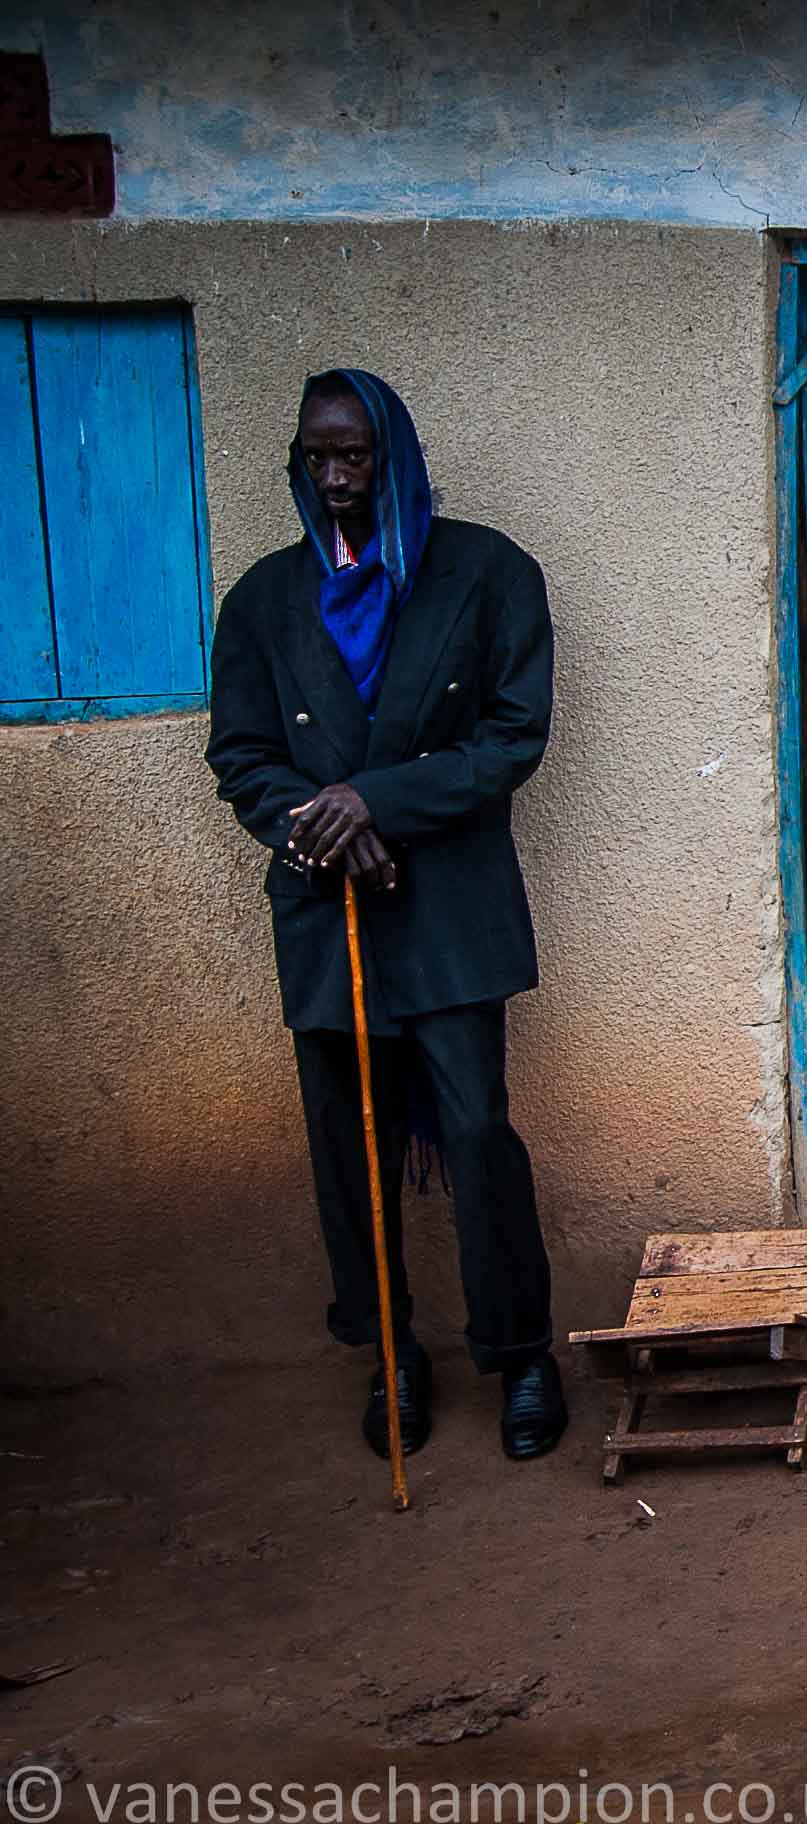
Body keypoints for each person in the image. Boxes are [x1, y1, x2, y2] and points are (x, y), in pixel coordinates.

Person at [206, 368, 565, 1461]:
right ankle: (392, 1356)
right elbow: (242, 755)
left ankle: (520, 1353)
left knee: (476, 1129)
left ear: (393, 455)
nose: (335, 477)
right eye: (316, 456)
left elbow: (512, 737)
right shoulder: (262, 602)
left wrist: (379, 801)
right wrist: (324, 825)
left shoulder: (488, 573)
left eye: (354, 455)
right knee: (346, 1140)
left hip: (449, 906)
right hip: (330, 911)